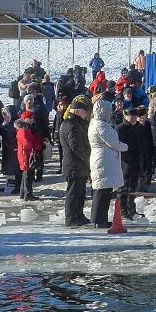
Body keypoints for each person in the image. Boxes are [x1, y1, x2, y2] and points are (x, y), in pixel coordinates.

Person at [89, 99, 129, 227]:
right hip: (103, 159)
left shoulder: (97, 123)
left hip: (104, 158)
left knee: (103, 191)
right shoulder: (100, 126)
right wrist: (125, 146)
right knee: (102, 192)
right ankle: (99, 220)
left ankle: (99, 218)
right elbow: (113, 143)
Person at [58, 96, 92, 226]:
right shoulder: (71, 124)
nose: (86, 115)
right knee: (73, 193)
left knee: (80, 192)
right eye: (84, 112)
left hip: (78, 165)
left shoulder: (75, 123)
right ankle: (71, 217)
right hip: (74, 165)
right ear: (77, 111)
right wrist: (88, 157)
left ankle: (79, 215)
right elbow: (76, 145)